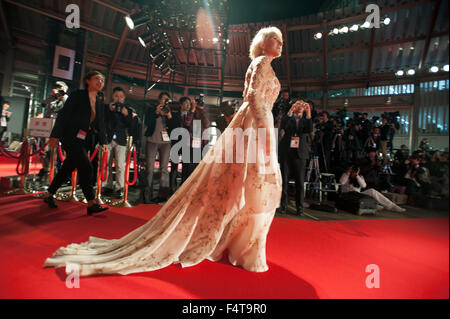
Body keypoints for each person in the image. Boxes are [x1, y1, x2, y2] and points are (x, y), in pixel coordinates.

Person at [43, 26, 283, 276]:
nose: (279, 44)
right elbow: (254, 97)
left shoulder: (264, 65)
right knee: (244, 184)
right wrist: (266, 132)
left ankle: (232, 240)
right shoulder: (261, 62)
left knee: (239, 185)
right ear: (262, 44)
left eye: (280, 40)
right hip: (255, 126)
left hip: (253, 125)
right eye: (274, 39)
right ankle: (236, 243)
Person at [42, 71, 109, 215]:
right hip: (71, 137)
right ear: (87, 80)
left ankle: (49, 194)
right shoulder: (77, 95)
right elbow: (64, 116)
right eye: (97, 78)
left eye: (102, 80)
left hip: (87, 140)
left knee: (67, 168)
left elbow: (101, 123)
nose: (100, 82)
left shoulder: (99, 101)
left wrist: (103, 141)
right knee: (87, 167)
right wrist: (55, 136)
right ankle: (91, 203)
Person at [278, 100, 313, 215]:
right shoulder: (289, 118)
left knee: (300, 182)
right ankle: (282, 206)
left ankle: (300, 208)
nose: (300, 107)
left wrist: (308, 114)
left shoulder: (305, 120)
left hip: (300, 154)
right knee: (284, 181)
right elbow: (283, 125)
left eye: (303, 105)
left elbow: (309, 129)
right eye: (298, 105)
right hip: (287, 153)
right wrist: (290, 110)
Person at [102, 87, 133, 198]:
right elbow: (102, 121)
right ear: (112, 96)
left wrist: (126, 115)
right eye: (116, 96)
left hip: (121, 140)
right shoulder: (106, 108)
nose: (118, 98)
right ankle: (106, 186)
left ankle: (119, 188)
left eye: (121, 96)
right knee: (105, 164)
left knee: (120, 165)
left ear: (124, 98)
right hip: (107, 139)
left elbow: (130, 126)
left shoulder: (128, 110)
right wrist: (109, 110)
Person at [143, 91, 173, 203]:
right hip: (152, 141)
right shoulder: (151, 110)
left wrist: (169, 116)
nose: (165, 101)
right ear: (159, 100)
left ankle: (163, 195)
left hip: (166, 143)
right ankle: (147, 194)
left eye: (167, 100)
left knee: (164, 169)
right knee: (149, 169)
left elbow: (175, 126)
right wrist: (156, 112)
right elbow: (147, 122)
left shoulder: (170, 111)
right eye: (163, 99)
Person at [339, 164, 405, 212]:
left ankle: (392, 206)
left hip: (358, 194)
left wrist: (357, 176)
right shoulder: (345, 175)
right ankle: (374, 205)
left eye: (357, 170)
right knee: (358, 197)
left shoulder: (359, 177)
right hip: (348, 195)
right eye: (353, 169)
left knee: (372, 191)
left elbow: (364, 186)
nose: (354, 171)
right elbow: (342, 182)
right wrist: (348, 172)